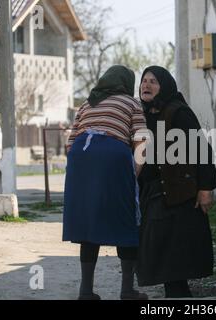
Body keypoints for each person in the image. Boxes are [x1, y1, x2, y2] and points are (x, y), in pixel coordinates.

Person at [63, 65, 148, 300]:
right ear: (126, 83)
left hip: (81, 155)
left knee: (90, 222)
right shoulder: (131, 103)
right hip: (112, 153)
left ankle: (86, 291)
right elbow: (142, 141)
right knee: (126, 218)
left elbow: (70, 144)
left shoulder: (87, 103)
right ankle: (127, 290)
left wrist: (82, 173)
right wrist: (133, 174)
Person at [136, 66, 216, 298]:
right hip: (156, 192)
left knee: (175, 253)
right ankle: (177, 294)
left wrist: (205, 189)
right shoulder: (143, 115)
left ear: (165, 86)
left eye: (153, 81)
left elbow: (201, 150)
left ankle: (178, 295)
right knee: (162, 251)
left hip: (180, 194)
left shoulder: (178, 112)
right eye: (144, 81)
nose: (146, 85)